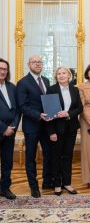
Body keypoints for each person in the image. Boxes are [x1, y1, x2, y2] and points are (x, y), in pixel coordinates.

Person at [16, 55, 52, 198]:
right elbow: (22, 106)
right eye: (34, 62)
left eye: (39, 62)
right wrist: (38, 115)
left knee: (48, 154)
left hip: (47, 125)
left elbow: (49, 101)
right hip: (31, 126)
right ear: (28, 64)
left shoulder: (46, 80)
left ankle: (47, 181)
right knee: (31, 157)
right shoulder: (23, 83)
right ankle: (34, 186)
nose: (37, 64)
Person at [46, 67, 83, 196]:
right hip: (56, 129)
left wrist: (68, 113)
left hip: (71, 128)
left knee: (68, 157)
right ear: (56, 77)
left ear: (69, 76)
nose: (61, 75)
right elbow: (49, 113)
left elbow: (79, 108)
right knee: (56, 157)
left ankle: (67, 183)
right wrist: (51, 132)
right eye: (58, 73)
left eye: (64, 73)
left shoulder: (75, 89)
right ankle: (57, 184)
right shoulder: (51, 89)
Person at [0, 58, 21, 200]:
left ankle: (5, 188)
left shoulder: (12, 87)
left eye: (5, 69)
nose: (2, 71)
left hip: (10, 133)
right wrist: (3, 128)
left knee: (7, 162)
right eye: (0, 68)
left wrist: (12, 126)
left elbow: (17, 110)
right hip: (1, 129)